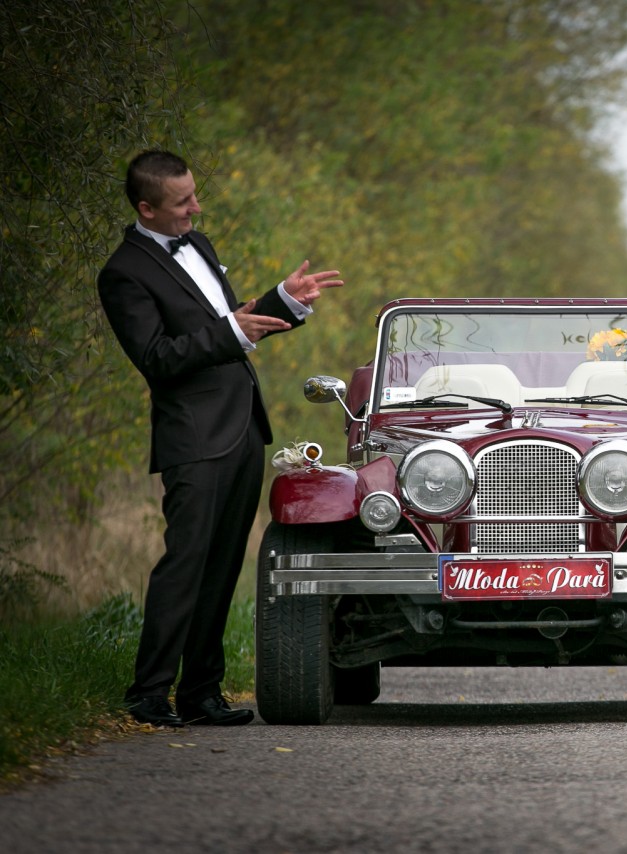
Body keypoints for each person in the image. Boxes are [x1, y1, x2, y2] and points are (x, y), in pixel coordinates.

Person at [98, 150, 344, 727]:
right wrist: (233, 330)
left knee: (224, 564)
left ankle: (201, 695)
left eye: (194, 195)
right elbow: (159, 358)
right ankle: (148, 693)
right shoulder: (123, 273)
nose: (195, 207)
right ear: (146, 208)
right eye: (183, 202)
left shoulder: (200, 244)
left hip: (242, 427)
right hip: (193, 436)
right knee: (186, 563)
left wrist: (282, 301)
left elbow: (222, 321)